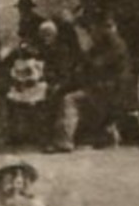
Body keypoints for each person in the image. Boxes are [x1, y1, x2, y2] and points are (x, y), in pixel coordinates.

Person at [53, 13, 133, 152]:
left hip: (110, 91)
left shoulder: (114, 45)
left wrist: (83, 57)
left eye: (91, 29)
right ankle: (105, 135)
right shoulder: (106, 44)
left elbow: (96, 65)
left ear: (100, 28)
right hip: (107, 89)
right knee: (70, 94)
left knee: (69, 100)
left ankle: (64, 141)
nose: (90, 33)